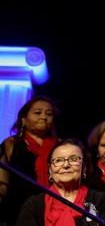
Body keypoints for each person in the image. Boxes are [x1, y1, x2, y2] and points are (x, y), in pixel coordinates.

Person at [16, 138, 105, 226]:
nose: (66, 165)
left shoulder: (100, 200)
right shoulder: (34, 205)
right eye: (58, 160)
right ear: (50, 170)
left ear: (84, 168)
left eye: (73, 159)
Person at [0, 96, 58, 225]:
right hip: (17, 210)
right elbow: (2, 183)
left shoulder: (61, 148)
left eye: (49, 114)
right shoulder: (11, 145)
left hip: (54, 211)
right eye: (37, 112)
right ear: (24, 120)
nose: (44, 117)